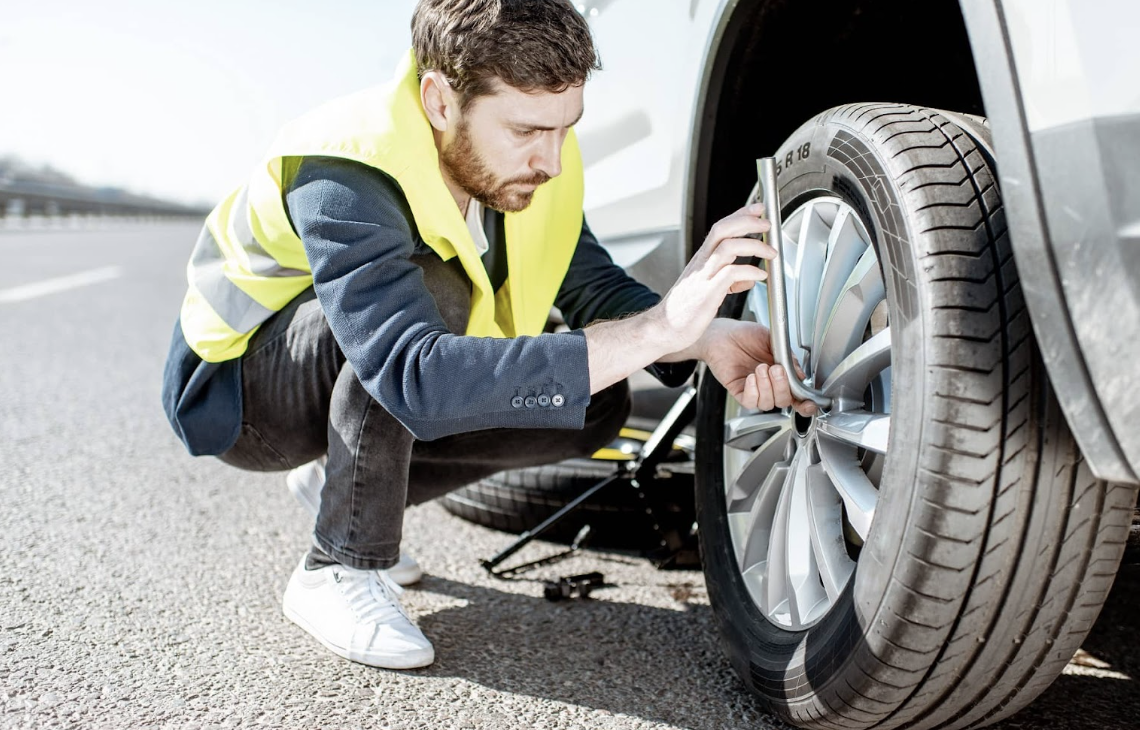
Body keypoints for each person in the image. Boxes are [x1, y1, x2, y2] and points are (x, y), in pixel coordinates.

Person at [162, 0, 816, 670]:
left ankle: (344, 475)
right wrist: (658, 326)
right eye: (527, 130)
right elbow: (411, 374)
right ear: (440, 101)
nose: (553, 161)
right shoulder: (346, 165)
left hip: (370, 368)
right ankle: (338, 567)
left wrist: (702, 338)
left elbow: (596, 292)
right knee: (436, 299)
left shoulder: (534, 171)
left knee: (597, 396)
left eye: (565, 129)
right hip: (242, 394)